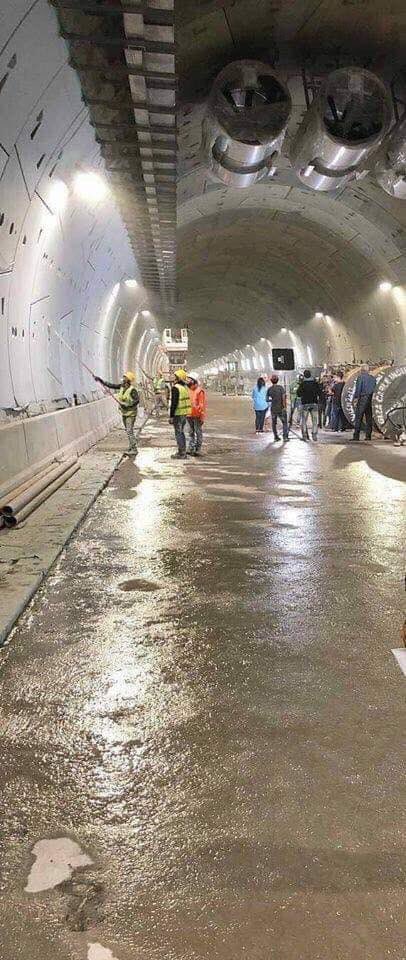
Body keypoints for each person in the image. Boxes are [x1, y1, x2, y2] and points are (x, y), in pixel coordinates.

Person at [94, 370, 139, 455]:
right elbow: (111, 385)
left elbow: (136, 401)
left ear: (128, 380)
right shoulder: (122, 386)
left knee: (129, 431)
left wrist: (127, 405)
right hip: (124, 413)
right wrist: (100, 380)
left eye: (125, 377)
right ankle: (131, 446)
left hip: (131, 414)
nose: (123, 378)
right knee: (128, 431)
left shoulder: (132, 390)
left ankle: (134, 449)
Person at [169, 368, 192, 459]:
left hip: (178, 414)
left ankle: (181, 453)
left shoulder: (176, 388)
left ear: (178, 378)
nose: (173, 378)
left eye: (175, 376)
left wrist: (171, 416)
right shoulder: (183, 388)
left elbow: (174, 403)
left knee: (178, 433)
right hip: (184, 414)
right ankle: (183, 452)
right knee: (181, 432)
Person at [351, 364, 377, 441]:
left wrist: (356, 398)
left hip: (363, 398)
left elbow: (358, 388)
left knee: (358, 417)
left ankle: (356, 436)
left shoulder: (360, 377)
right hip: (370, 399)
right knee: (369, 418)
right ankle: (368, 436)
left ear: (362, 370)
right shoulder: (373, 378)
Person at [296, 369, 322, 441]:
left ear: (304, 375)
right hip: (314, 403)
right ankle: (314, 434)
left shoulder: (302, 384)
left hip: (305, 404)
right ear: (310, 375)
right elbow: (319, 392)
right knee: (314, 420)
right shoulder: (315, 383)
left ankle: (304, 434)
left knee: (304, 420)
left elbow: (298, 393)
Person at [187, 375, 207, 456]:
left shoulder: (199, 391)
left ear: (195, 383)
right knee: (191, 432)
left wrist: (201, 416)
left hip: (197, 416)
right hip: (189, 415)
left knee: (198, 432)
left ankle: (198, 449)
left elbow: (201, 405)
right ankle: (191, 448)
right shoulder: (189, 390)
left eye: (191, 385)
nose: (190, 387)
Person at [266, 375, 289, 441]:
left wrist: (273, 400)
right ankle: (285, 437)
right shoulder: (281, 388)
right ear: (278, 380)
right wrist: (284, 407)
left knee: (274, 423)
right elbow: (283, 398)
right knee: (284, 423)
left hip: (273, 408)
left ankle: (276, 437)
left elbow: (267, 399)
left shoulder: (269, 389)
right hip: (281, 408)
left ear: (271, 381)